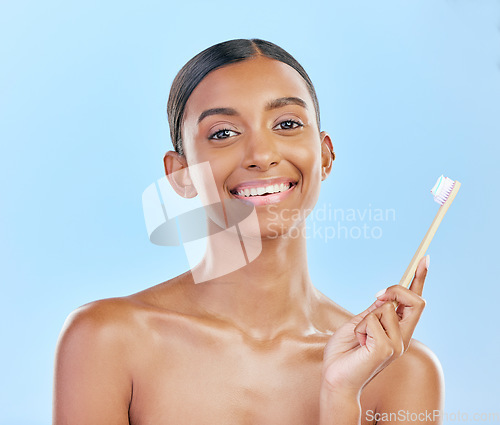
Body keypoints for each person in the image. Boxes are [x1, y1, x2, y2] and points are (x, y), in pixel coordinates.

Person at [53, 39, 444, 425]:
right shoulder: (106, 341)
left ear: (324, 155)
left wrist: (341, 397)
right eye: (223, 133)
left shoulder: (400, 370)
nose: (261, 155)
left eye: (287, 124)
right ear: (180, 173)